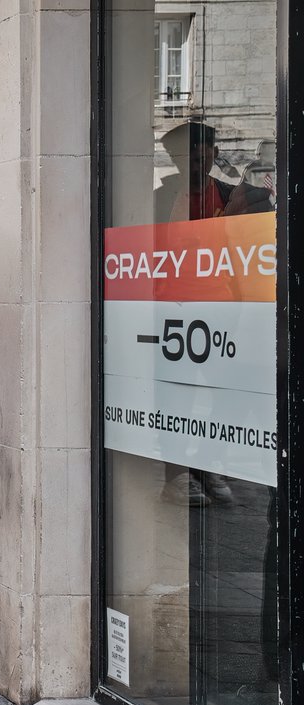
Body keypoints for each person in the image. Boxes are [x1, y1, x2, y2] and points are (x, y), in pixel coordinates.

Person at [154, 120, 273, 506]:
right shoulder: (159, 198)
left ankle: (208, 464)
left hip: (224, 311)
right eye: (186, 152)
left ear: (213, 152)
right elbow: (176, 253)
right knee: (176, 396)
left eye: (203, 149)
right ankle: (176, 475)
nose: (195, 158)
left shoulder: (231, 193)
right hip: (175, 312)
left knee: (225, 396)